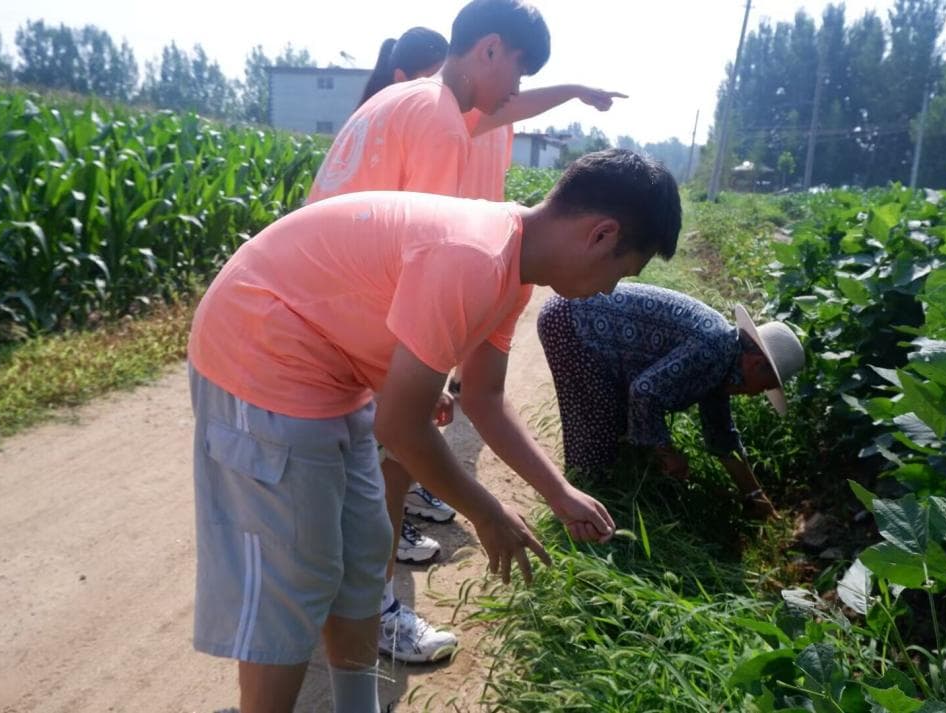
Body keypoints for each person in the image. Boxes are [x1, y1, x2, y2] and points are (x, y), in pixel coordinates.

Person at [188, 148, 682, 713]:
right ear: (602, 235)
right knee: (297, 572)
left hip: (329, 367)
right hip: (260, 349)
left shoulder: (513, 270)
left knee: (365, 553)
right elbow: (402, 427)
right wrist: (488, 514)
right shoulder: (476, 257)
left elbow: (484, 397)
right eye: (622, 272)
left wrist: (558, 493)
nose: (610, 290)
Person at [309, 0, 625, 665]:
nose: (515, 91)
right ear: (488, 49)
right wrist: (422, 377)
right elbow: (420, 250)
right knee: (395, 456)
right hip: (347, 318)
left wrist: (571, 90)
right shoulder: (442, 124)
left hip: (323, 301)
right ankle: (373, 609)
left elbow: (508, 108)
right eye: (518, 71)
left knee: (362, 471)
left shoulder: (424, 101)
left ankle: (343, 608)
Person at [537, 283, 806, 519]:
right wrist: (667, 453)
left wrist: (754, 494)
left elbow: (722, 435)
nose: (757, 394)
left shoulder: (724, 362)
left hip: (577, 315)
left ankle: (594, 502)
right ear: (756, 364)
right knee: (600, 426)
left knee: (617, 431)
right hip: (573, 321)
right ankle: (578, 510)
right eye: (765, 386)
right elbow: (644, 391)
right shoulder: (713, 348)